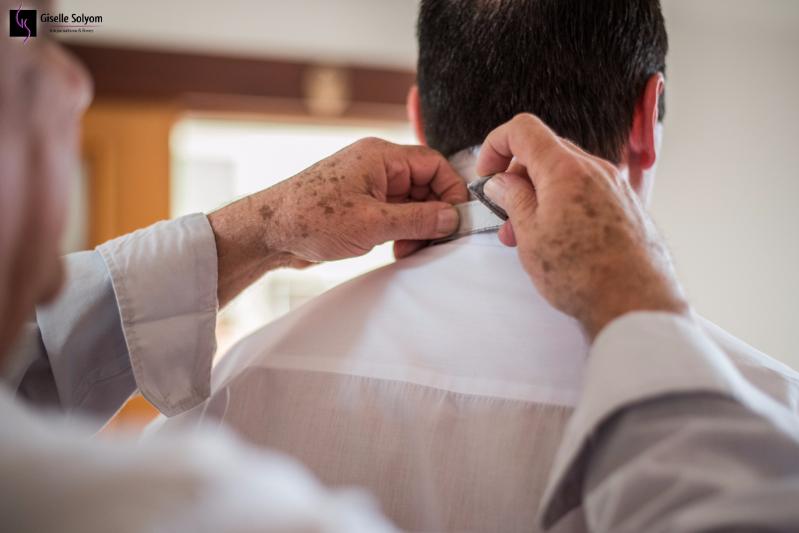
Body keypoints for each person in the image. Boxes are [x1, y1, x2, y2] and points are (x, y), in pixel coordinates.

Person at [4, 2, 799, 533]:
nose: (66, 82)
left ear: (417, 116)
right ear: (645, 119)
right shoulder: (771, 418)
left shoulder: (231, 393)